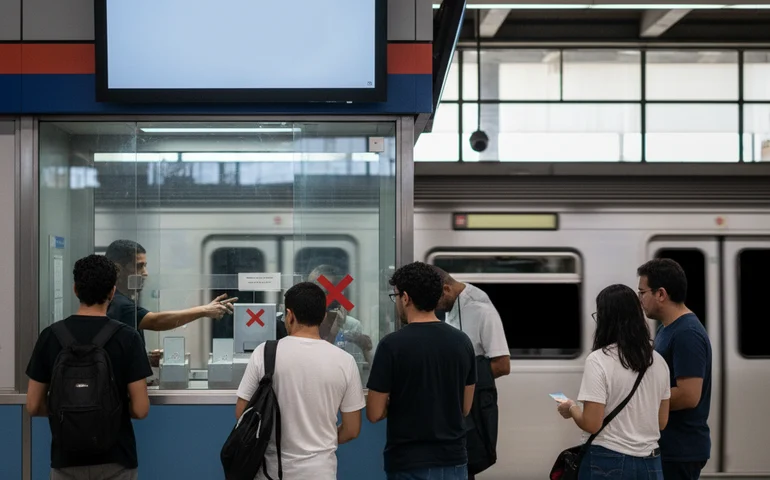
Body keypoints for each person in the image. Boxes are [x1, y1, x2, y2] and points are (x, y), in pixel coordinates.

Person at [26, 254, 153, 480]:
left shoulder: (51, 336)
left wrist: (69, 413)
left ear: (75, 289)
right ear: (113, 292)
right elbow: (141, 409)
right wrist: (108, 411)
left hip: (66, 460)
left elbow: (33, 405)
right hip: (118, 460)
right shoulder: (128, 338)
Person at [235, 282, 365, 480]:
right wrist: (321, 441)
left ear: (289, 314)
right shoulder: (345, 361)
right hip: (320, 471)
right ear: (322, 317)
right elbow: (352, 429)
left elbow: (242, 413)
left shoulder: (264, 353)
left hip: (271, 471)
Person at [367, 261, 476, 480]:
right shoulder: (462, 342)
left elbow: (374, 412)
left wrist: (399, 402)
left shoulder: (392, 345)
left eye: (396, 296)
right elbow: (464, 407)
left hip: (408, 462)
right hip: (454, 461)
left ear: (405, 298)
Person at [556, 284, 671, 479]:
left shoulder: (598, 360)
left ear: (605, 319)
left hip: (608, 461)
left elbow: (592, 424)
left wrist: (572, 408)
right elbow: (661, 422)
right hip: (650, 464)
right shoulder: (658, 361)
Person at [637, 259, 712, 480]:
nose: (640, 299)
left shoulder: (687, 333)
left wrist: (642, 402)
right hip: (670, 446)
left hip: (681, 449)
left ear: (661, 294)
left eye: (642, 292)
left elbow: (689, 395)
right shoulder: (666, 329)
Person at [104, 239, 235, 342]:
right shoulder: (118, 303)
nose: (145, 273)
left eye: (145, 266)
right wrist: (204, 310)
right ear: (118, 270)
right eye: (139, 267)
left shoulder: (120, 300)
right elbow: (155, 321)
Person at [434, 267, 510, 379]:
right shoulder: (451, 304)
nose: (435, 307)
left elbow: (502, 366)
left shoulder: (481, 310)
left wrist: (460, 382)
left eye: (436, 301)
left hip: (476, 392)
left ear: (446, 289)